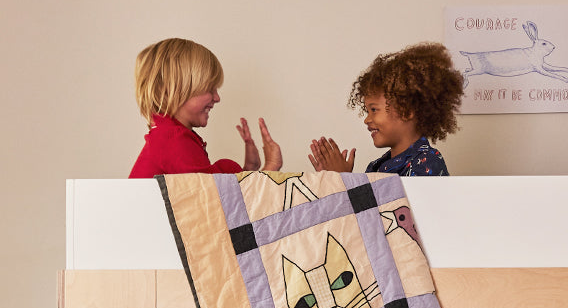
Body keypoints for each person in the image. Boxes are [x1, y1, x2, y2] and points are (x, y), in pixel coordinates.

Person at [129, 38, 281, 178]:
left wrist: (248, 169)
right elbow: (217, 199)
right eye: (210, 88)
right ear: (172, 90)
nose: (217, 98)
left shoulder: (167, 136)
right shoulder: (173, 140)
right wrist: (270, 169)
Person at [308, 42, 462, 176]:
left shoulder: (427, 163)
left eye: (374, 110)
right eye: (367, 111)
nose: (366, 119)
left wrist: (343, 180)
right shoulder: (376, 167)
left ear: (406, 110)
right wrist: (337, 179)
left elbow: (390, 209)